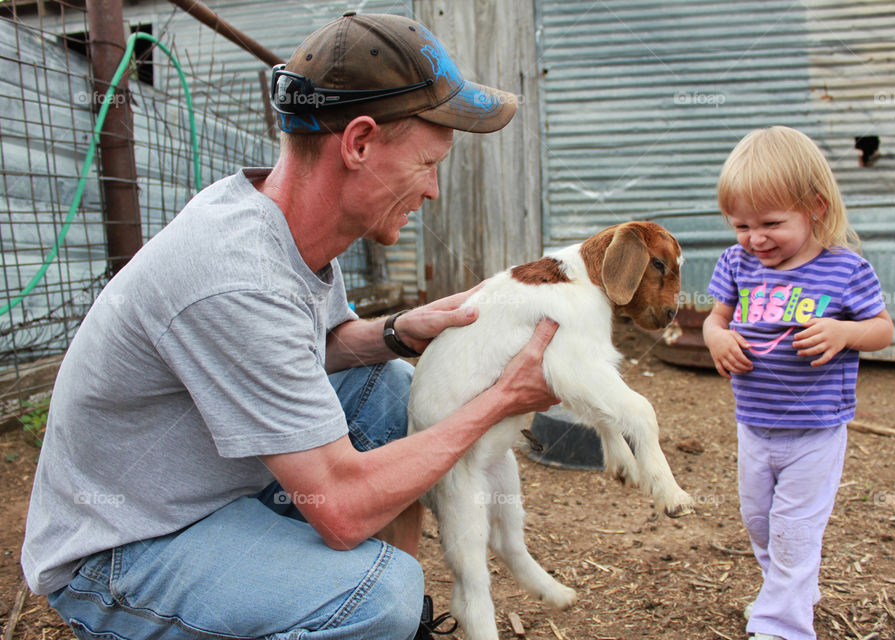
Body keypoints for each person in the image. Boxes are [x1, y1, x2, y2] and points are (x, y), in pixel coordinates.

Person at [21, 12, 560, 640]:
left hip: (211, 483)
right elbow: (340, 509)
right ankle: (370, 616)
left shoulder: (276, 218)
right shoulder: (237, 276)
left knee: (394, 388)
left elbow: (317, 347)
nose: (434, 190)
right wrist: (502, 398)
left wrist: (402, 330)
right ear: (358, 143)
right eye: (427, 164)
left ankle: (390, 624)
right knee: (376, 598)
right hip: (127, 545)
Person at [702, 126, 894, 640]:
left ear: (815, 208)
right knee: (760, 523)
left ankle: (781, 625)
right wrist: (717, 338)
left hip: (815, 429)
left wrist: (845, 331)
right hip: (754, 425)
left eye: (770, 223)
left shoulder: (845, 269)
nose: (754, 238)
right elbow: (714, 320)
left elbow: (882, 330)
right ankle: (789, 588)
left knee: (794, 529)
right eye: (740, 224)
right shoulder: (736, 262)